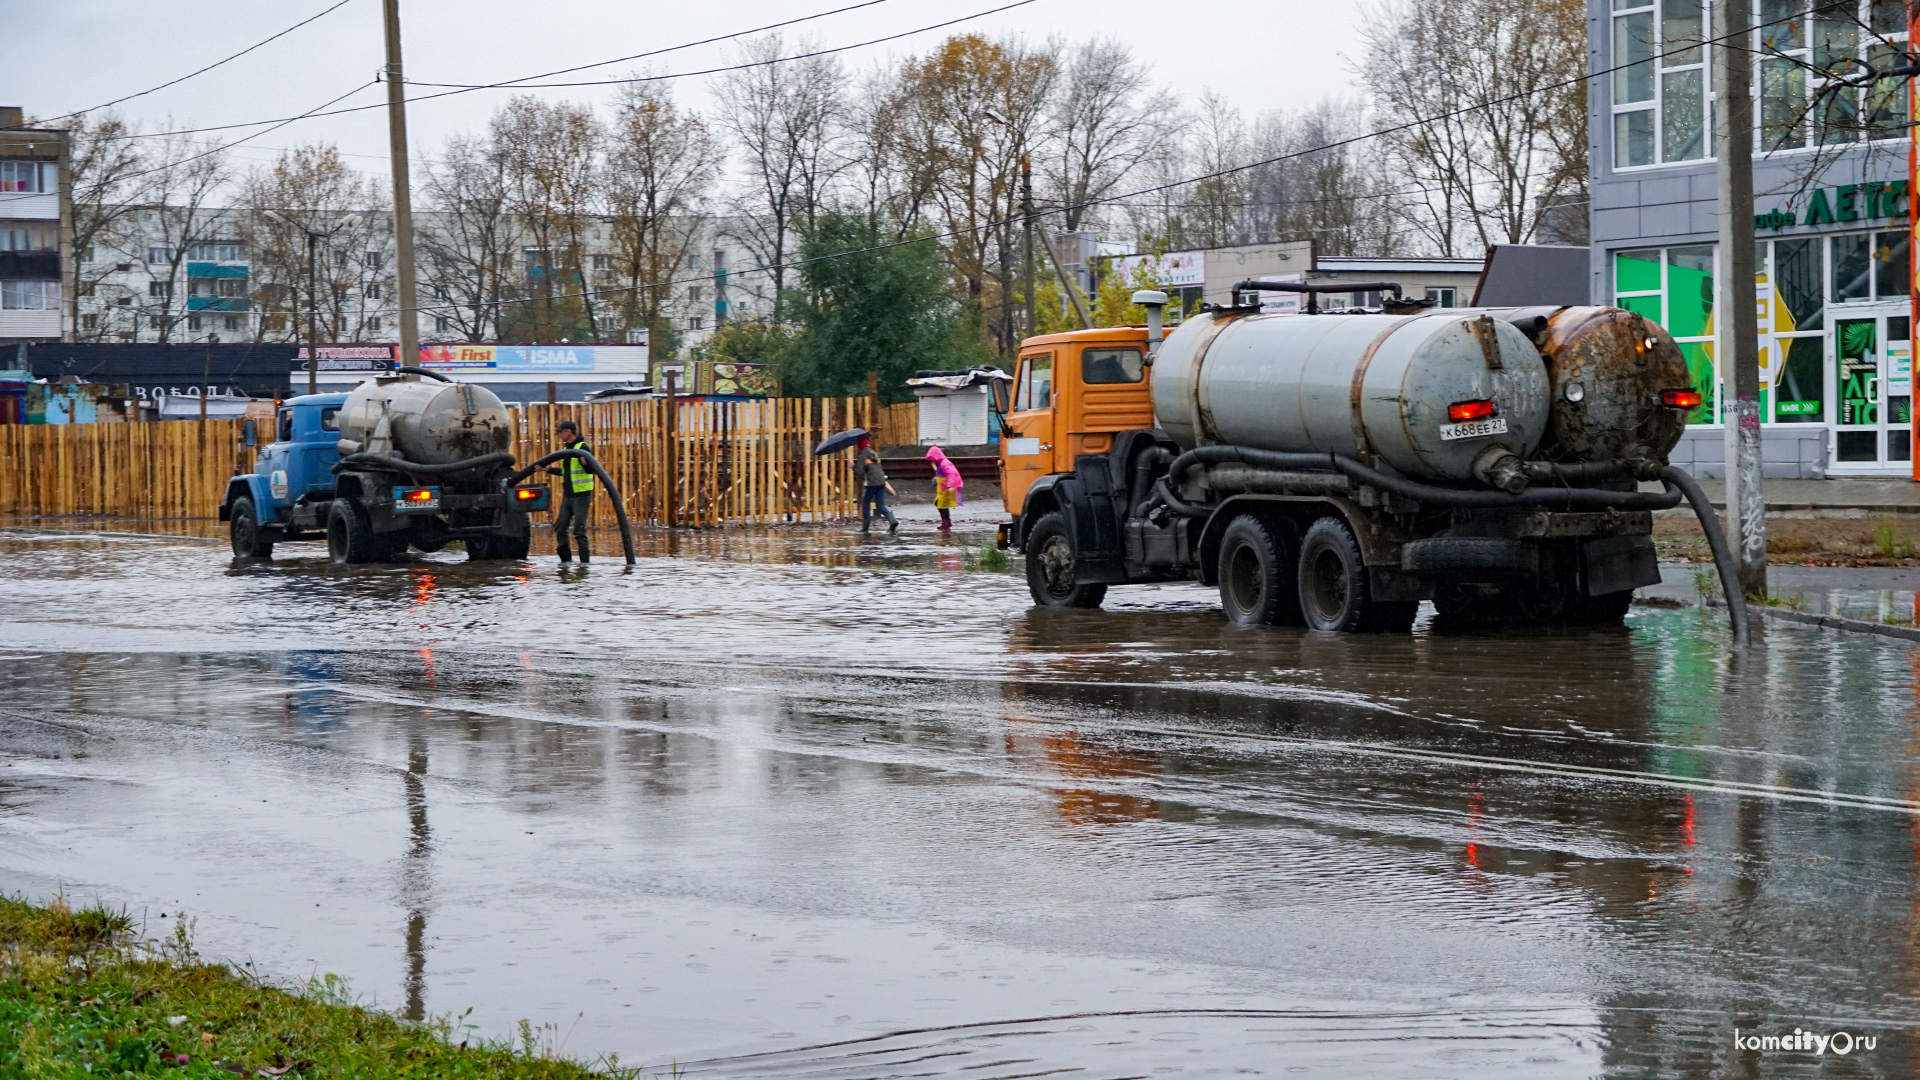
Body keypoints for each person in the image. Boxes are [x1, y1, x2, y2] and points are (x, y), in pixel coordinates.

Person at [547, 419, 594, 563]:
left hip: (581, 496)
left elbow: (591, 470)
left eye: (561, 432)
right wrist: (547, 469)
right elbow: (565, 471)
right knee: (560, 528)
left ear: (569, 432)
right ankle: (565, 562)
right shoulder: (567, 450)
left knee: (579, 531)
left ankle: (584, 565)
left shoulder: (583, 448)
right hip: (568, 496)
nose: (559, 435)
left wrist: (586, 463)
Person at [855, 435, 897, 534]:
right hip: (881, 482)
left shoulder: (862, 455)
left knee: (865, 503)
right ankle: (893, 521)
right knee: (880, 505)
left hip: (871, 483)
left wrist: (853, 466)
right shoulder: (874, 453)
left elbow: (860, 471)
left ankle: (865, 527)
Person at [926, 445, 964, 531]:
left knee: (942, 505)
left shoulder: (944, 463)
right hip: (943, 488)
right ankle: (946, 521)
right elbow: (941, 474)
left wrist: (950, 485)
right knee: (939, 504)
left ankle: (946, 522)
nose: (932, 461)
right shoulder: (940, 463)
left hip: (946, 487)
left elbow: (951, 474)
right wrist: (936, 479)